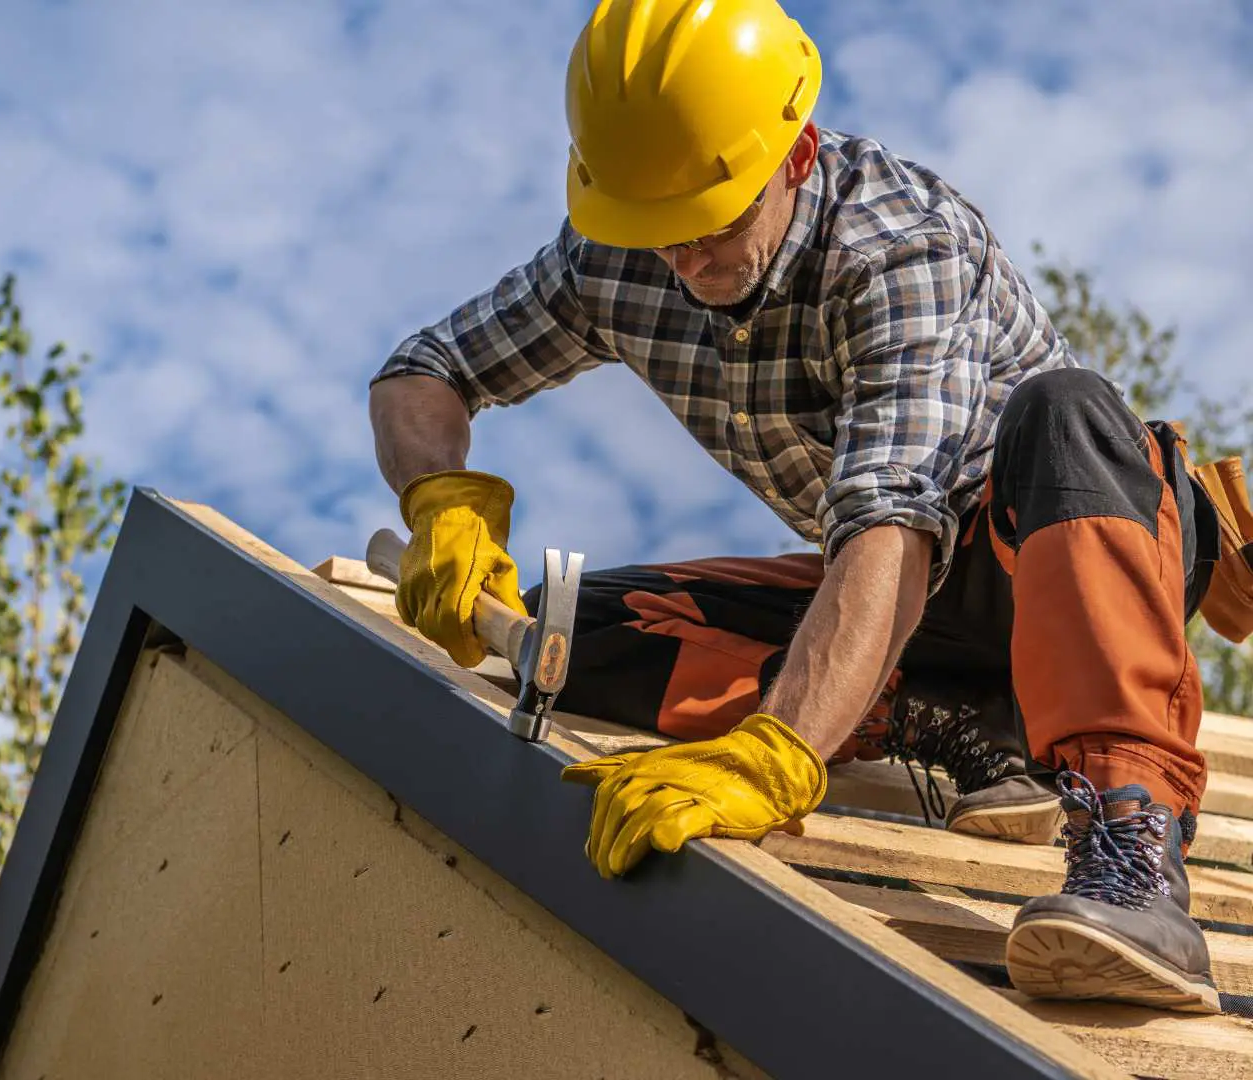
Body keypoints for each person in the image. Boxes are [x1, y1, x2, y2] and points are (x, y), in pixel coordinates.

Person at [369, 0, 1248, 1014]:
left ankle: (1131, 857)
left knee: (1069, 410)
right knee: (576, 634)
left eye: (715, 225)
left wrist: (782, 752)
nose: (685, 262)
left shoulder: (899, 250)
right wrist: (441, 501)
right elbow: (424, 372)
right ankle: (963, 720)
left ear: (796, 155)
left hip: (1058, 561)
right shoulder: (616, 253)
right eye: (657, 233)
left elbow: (892, 524)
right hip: (906, 608)